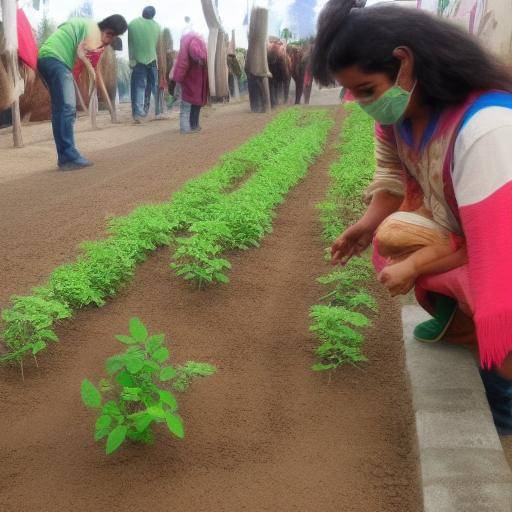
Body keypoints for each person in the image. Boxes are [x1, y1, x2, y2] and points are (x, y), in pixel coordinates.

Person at [312, 0, 512, 434]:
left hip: (502, 245)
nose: (363, 104)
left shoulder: (486, 127)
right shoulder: (399, 117)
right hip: (465, 234)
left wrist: (419, 264)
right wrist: (365, 226)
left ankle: (503, 404)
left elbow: (493, 245)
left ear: (405, 64)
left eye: (367, 90)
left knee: (495, 309)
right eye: (354, 94)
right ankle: (465, 326)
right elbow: (390, 175)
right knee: (393, 235)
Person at [38, 15, 127, 171]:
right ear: (106, 29)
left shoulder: (84, 25)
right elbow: (81, 51)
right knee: (67, 109)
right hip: (56, 60)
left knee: (60, 111)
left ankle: (64, 157)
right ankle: (68, 157)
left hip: (45, 59)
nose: (107, 41)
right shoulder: (93, 31)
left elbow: (64, 29)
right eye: (109, 35)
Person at [128, 6, 164, 123]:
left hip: (138, 61)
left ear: (142, 12)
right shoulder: (157, 26)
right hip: (152, 61)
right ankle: (158, 112)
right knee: (153, 87)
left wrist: (131, 61)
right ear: (153, 16)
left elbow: (131, 45)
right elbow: (158, 47)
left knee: (138, 87)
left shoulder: (132, 24)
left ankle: (138, 114)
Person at [172, 32, 208, 134]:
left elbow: (182, 65)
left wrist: (177, 80)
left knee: (186, 107)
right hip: (199, 83)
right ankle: (194, 126)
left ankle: (185, 129)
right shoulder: (200, 42)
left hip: (189, 82)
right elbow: (201, 56)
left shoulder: (187, 43)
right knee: (196, 105)